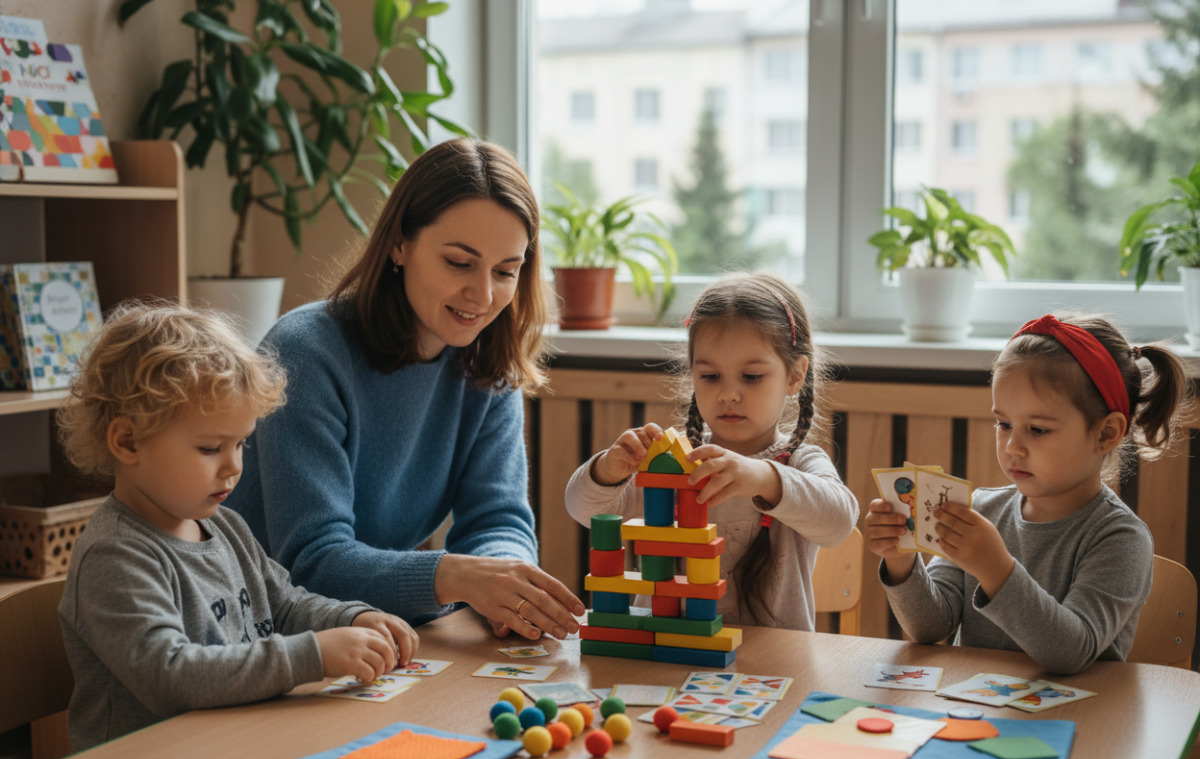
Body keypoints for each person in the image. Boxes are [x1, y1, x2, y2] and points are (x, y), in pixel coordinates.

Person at [227, 137, 584, 641]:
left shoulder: (488, 363)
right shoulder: (305, 352)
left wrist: (505, 585)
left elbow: (497, 519)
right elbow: (311, 563)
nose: (483, 295)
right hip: (253, 633)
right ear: (399, 244)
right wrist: (458, 577)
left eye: (506, 271)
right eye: (459, 262)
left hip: (366, 630)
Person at [55, 302, 419, 752]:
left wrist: (351, 618)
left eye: (242, 444)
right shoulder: (114, 555)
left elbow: (285, 605)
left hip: (228, 747)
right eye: (211, 448)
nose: (234, 467)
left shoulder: (225, 526)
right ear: (127, 441)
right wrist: (313, 655)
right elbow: (170, 676)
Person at [864, 313, 1189, 675]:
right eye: (1003, 424)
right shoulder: (980, 510)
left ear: (1106, 433)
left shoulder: (1120, 537)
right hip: (974, 705)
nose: (1012, 447)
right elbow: (930, 627)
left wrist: (995, 569)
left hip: (1089, 708)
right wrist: (901, 561)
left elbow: (1071, 652)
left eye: (1037, 429)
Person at [564, 273, 859, 629]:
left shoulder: (799, 462)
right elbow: (583, 511)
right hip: (670, 648)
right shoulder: (674, 461)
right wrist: (608, 471)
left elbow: (839, 522)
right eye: (710, 376)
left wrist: (761, 478)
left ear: (795, 376)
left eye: (751, 377)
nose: (728, 395)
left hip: (771, 658)